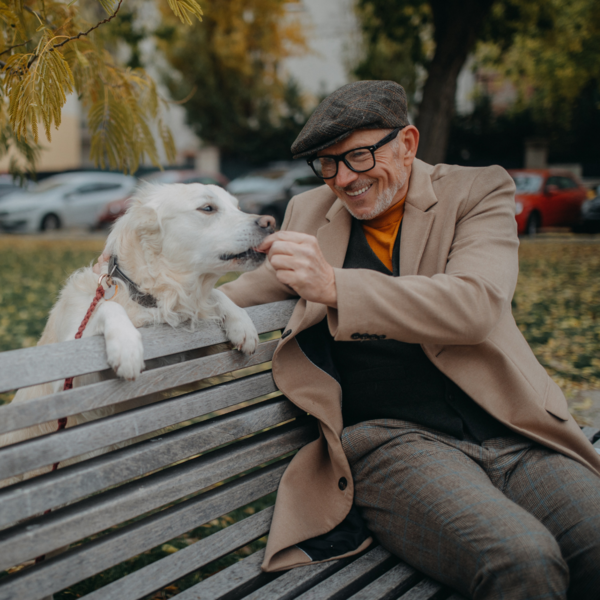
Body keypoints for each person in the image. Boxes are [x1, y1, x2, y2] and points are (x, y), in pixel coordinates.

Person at [96, 81, 600, 599]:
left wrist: (334, 286)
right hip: (391, 442)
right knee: (524, 560)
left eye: (359, 156)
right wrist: (118, 293)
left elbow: (475, 305)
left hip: (511, 428)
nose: (345, 179)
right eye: (328, 164)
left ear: (407, 142)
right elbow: (235, 296)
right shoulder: (309, 213)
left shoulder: (476, 192)